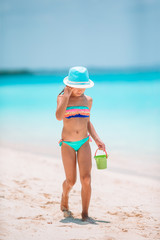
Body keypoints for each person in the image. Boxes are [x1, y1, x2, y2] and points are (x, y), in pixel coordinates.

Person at [55, 66, 106, 222]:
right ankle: (64, 197)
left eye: (83, 86)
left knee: (86, 179)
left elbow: (88, 122)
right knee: (71, 181)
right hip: (68, 144)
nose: (80, 89)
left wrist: (97, 139)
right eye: (77, 86)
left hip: (84, 142)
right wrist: (66, 96)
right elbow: (58, 116)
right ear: (70, 85)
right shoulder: (62, 97)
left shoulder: (88, 100)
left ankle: (85, 214)